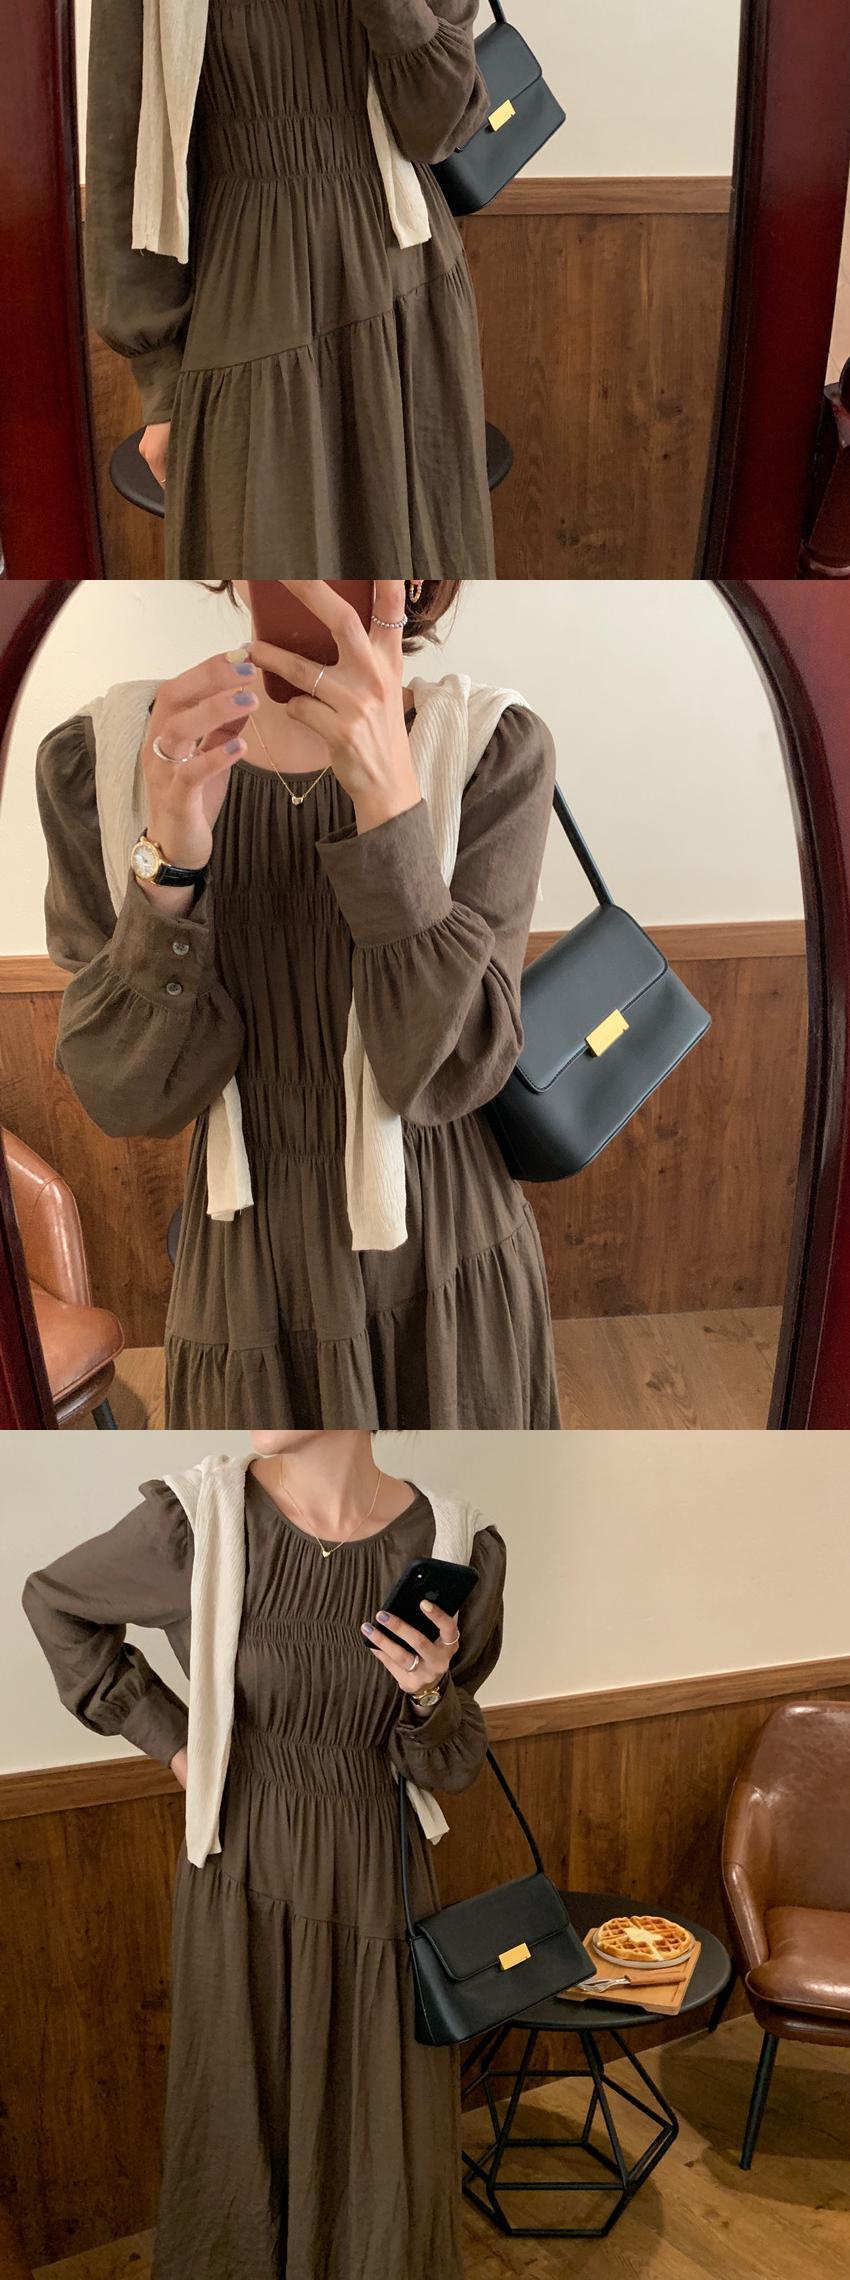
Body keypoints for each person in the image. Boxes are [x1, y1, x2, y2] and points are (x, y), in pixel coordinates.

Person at [36, 578, 561, 1428]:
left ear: (417, 572)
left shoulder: (486, 745)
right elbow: (124, 1097)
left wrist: (390, 805)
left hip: (443, 1256)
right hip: (246, 1277)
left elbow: (450, 1073)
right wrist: (169, 866)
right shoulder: (107, 758)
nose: (314, 554)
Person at [23, 1428, 507, 2280]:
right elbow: (55, 1602)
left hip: (377, 1874)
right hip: (241, 1861)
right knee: (238, 2122)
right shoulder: (198, 1519)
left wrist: (429, 1691)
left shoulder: (456, 1544)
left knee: (377, 2124)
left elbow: (452, 1766)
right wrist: (176, 1744)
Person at [85, 0, 495, 576]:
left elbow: (439, 130)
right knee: (268, 574)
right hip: (244, 293)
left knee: (403, 580)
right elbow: (126, 152)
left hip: (404, 295)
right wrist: (159, 381)